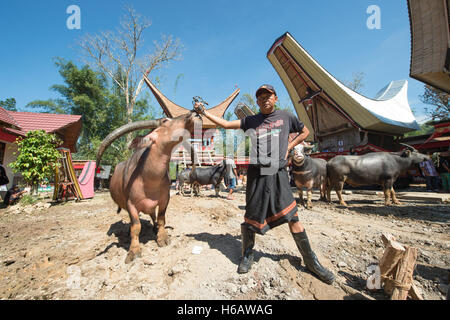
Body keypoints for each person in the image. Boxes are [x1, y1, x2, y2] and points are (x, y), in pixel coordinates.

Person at [194, 84, 335, 284]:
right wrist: (204, 112)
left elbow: (305, 132)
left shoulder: (286, 117)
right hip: (257, 174)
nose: (264, 99)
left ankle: (311, 262)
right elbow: (225, 125)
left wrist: (289, 145)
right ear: (258, 102)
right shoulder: (251, 120)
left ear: (275, 98)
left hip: (277, 173)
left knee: (293, 216)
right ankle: (247, 255)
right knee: (251, 215)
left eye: (268, 96)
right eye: (260, 97)